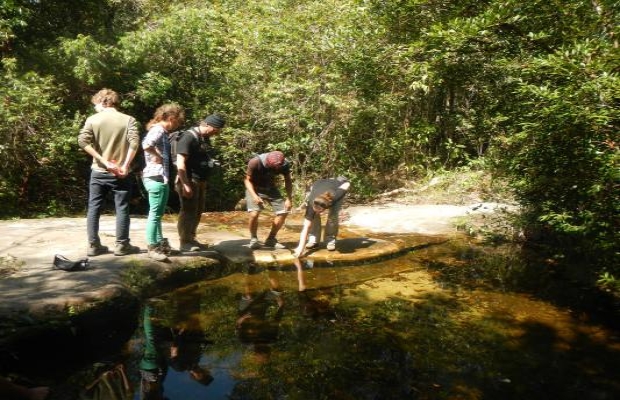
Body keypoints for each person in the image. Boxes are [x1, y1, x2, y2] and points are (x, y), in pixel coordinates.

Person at [78, 88, 141, 257]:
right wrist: (125, 165)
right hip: (120, 172)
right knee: (122, 207)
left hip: (98, 171)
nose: (94, 107)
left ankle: (93, 245)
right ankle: (122, 245)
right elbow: (134, 143)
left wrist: (104, 161)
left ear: (101, 102)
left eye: (95, 104)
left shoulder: (93, 120)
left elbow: (82, 141)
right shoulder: (129, 120)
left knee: (94, 207)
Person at [175, 114, 226, 252]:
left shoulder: (204, 138)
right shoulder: (188, 137)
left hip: (200, 180)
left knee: (197, 211)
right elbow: (180, 162)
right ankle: (184, 242)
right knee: (188, 211)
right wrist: (185, 184)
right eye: (216, 130)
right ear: (208, 125)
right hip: (189, 180)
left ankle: (191, 239)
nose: (217, 133)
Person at [142, 103, 185, 261]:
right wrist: (157, 155)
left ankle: (161, 244)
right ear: (171, 118)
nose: (177, 125)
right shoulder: (159, 130)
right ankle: (152, 246)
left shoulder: (160, 130)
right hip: (156, 176)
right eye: (177, 122)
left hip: (160, 177)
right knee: (155, 214)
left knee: (158, 214)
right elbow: (146, 145)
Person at [244, 151, 293, 249]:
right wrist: (254, 196)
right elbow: (247, 180)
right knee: (254, 213)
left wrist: (289, 198)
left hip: (270, 188)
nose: (276, 169)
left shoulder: (284, 164)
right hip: (254, 188)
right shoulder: (255, 162)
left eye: (278, 168)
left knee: (284, 211)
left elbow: (288, 180)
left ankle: (271, 239)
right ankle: (254, 239)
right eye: (274, 168)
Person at [293, 177, 350, 258]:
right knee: (313, 217)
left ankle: (330, 240)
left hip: (335, 188)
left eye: (319, 211)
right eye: (315, 209)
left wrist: (340, 181)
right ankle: (313, 240)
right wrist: (300, 248)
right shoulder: (311, 203)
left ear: (325, 207)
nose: (317, 212)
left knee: (333, 217)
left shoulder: (336, 196)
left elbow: (347, 184)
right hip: (319, 184)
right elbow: (306, 227)